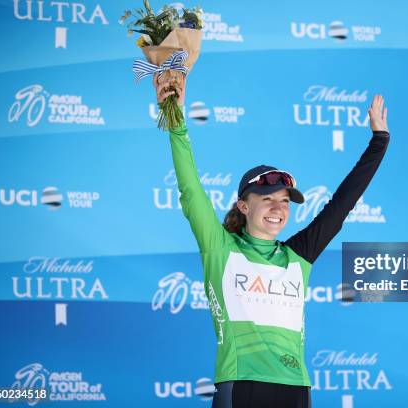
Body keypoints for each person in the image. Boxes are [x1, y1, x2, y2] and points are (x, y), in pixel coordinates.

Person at [154, 74, 390, 408]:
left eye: (284, 200)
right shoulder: (221, 249)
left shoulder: (298, 256)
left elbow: (343, 202)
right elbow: (191, 189)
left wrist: (379, 140)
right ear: (243, 206)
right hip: (241, 385)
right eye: (267, 199)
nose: (278, 208)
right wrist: (176, 119)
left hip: (296, 388)